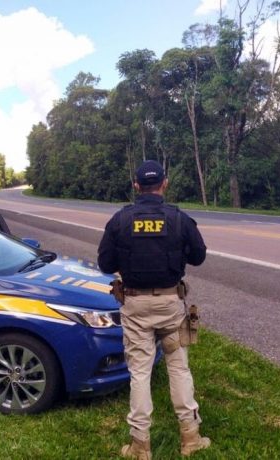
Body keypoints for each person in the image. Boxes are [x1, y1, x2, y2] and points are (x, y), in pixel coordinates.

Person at [97, 160, 210, 459]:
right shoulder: (179, 219)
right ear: (165, 184)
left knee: (139, 373)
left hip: (135, 306)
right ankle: (190, 437)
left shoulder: (120, 220)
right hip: (170, 304)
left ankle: (140, 445)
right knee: (179, 367)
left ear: (136, 186)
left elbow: (105, 263)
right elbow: (199, 256)